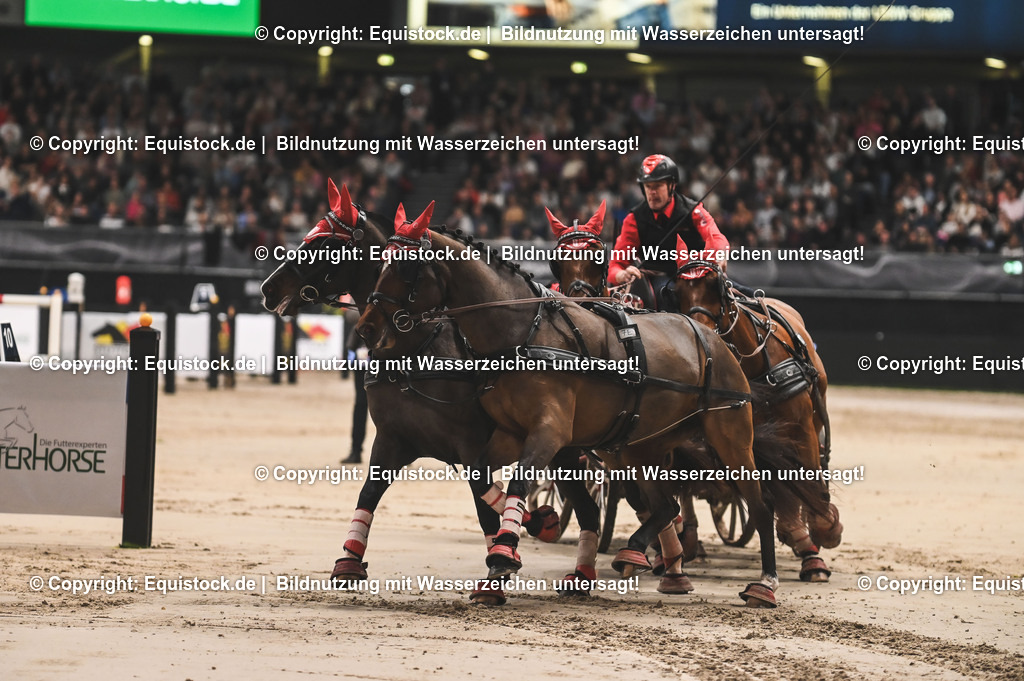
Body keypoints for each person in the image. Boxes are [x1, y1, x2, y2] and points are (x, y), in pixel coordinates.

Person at [608, 154, 729, 310]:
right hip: (661, 280)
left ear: (672, 186)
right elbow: (615, 265)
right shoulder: (634, 219)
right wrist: (621, 275)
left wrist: (719, 255)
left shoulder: (693, 210)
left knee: (745, 295)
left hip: (698, 275)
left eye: (657, 186)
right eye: (648, 186)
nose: (652, 192)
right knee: (666, 293)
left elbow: (716, 237)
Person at [341, 306, 369, 465]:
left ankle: (401, 451)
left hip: (386, 359)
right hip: (362, 363)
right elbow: (350, 315)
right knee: (360, 404)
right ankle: (355, 450)